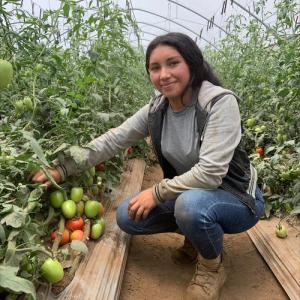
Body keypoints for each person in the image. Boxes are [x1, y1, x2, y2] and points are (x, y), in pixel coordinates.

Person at [31, 32, 264, 300]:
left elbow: (211, 173)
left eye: (173, 63)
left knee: (191, 207)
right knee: (127, 217)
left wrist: (155, 193)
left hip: (236, 197)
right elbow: (115, 138)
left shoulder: (218, 103)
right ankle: (197, 234)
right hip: (189, 194)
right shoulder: (158, 108)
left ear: (192, 63)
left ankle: (213, 266)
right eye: (155, 67)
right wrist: (62, 167)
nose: (164, 74)